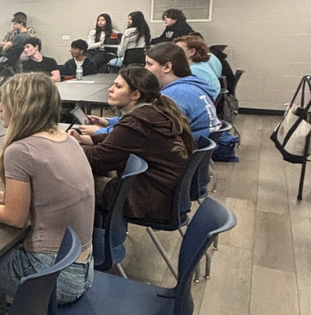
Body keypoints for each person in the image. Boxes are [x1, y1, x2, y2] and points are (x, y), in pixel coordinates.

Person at [0, 73, 94, 315]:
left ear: (21, 107)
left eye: (3, 102)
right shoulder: (66, 140)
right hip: (81, 266)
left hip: (54, 277)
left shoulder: (21, 150)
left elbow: (15, 218)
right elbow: (42, 196)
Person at [71, 66, 194, 225]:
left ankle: (93, 241)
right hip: (165, 195)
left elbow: (97, 158)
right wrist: (88, 140)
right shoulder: (155, 113)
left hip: (149, 201)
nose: (111, 89)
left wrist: (71, 145)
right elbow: (122, 141)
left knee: (76, 181)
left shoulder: (137, 122)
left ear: (136, 94)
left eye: (118, 86)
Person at [86, 43, 219, 138]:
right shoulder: (191, 86)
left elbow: (141, 134)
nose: (145, 69)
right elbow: (145, 124)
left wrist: (100, 131)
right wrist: (110, 122)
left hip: (177, 160)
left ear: (167, 67)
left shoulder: (173, 96)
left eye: (149, 64)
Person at [177, 34, 223, 99]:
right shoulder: (202, 65)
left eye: (179, 49)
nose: (174, 52)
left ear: (192, 52)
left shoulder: (194, 71)